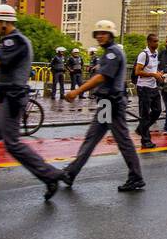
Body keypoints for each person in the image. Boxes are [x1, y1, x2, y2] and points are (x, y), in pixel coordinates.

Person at [0, 6, 63, 200]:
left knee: (12, 143)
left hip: (12, 98)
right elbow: (1, 67)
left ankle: (50, 175)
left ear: (5, 23)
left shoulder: (14, 41)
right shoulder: (12, 41)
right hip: (4, 97)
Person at [60, 19, 145, 192]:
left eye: (103, 33)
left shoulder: (112, 53)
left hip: (111, 104)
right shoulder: (109, 52)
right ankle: (71, 172)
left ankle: (136, 177)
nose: (100, 36)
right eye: (98, 33)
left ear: (111, 35)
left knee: (122, 141)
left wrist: (76, 91)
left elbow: (102, 77)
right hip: (107, 103)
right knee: (92, 138)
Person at [134, 33, 164, 149]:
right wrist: (153, 74)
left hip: (153, 86)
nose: (157, 43)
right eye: (155, 41)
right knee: (145, 115)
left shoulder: (156, 54)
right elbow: (137, 71)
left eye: (157, 41)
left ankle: (141, 129)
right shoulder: (143, 54)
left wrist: (158, 74)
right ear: (149, 42)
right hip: (144, 87)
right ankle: (146, 141)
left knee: (157, 111)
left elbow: (154, 69)